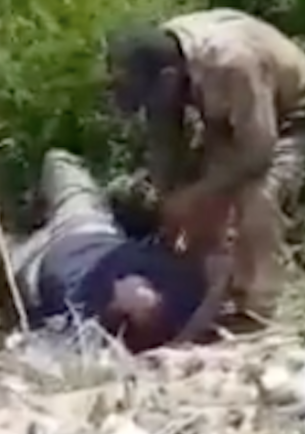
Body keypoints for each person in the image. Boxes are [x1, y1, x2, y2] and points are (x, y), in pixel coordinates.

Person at [106, 8, 305, 325]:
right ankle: (200, 288)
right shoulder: (161, 57)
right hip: (234, 116)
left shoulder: (232, 64)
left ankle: (259, 303)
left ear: (169, 78)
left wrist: (193, 195)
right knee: (201, 195)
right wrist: (168, 198)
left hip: (294, 113)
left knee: (257, 196)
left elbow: (258, 151)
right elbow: (164, 139)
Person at [11, 149, 210, 352]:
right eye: (154, 294)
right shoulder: (179, 290)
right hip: (89, 226)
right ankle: (33, 208)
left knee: (0, 260)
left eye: (137, 308)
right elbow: (214, 272)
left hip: (36, 259)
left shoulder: (81, 319)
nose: (143, 288)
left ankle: (17, 223)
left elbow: (46, 347)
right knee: (58, 162)